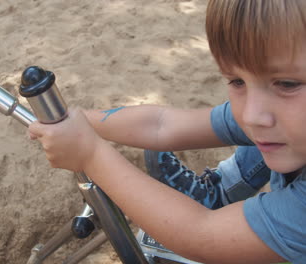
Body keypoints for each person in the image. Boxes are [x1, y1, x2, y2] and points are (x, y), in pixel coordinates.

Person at [28, 0, 306, 263]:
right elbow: (161, 124)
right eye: (237, 81)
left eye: (287, 84)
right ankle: (219, 191)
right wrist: (78, 122)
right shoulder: (276, 119)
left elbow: (201, 235)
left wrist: (89, 155)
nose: (251, 115)